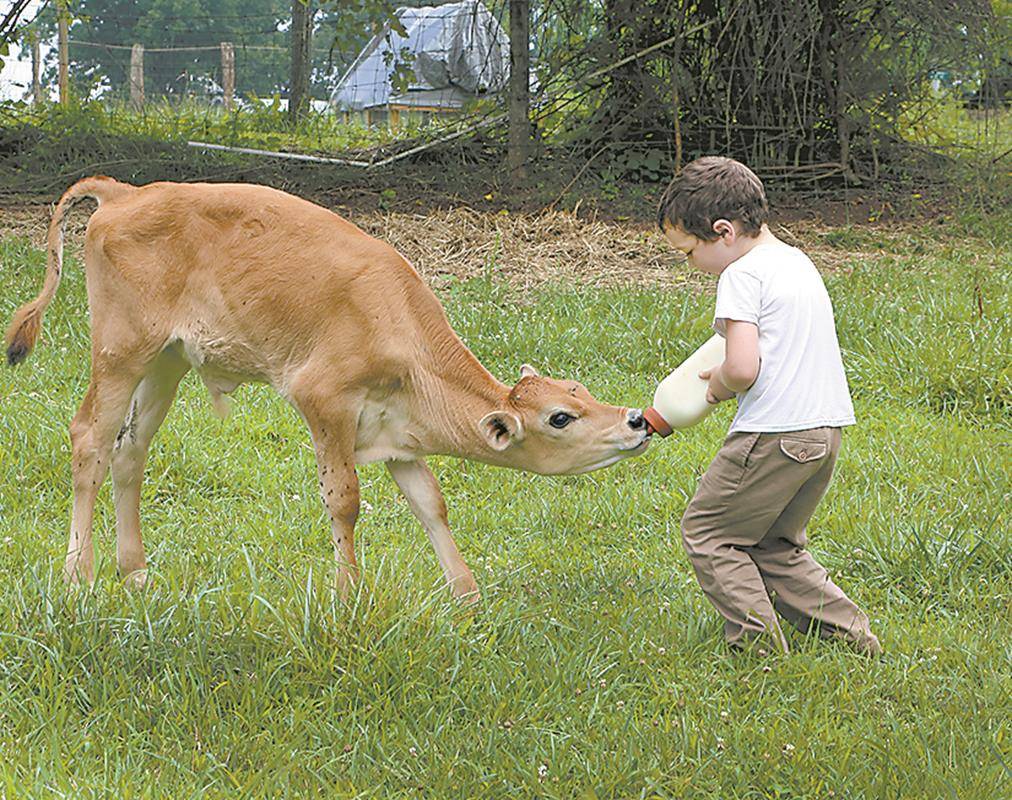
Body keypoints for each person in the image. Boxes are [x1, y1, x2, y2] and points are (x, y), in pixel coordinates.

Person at [656, 156, 881, 655]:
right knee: (773, 543)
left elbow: (742, 367)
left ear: (723, 231)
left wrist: (717, 386)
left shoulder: (741, 275)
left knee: (709, 533)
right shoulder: (797, 262)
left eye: (689, 252)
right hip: (824, 432)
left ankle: (755, 647)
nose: (690, 264)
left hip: (774, 433)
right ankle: (852, 638)